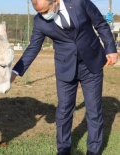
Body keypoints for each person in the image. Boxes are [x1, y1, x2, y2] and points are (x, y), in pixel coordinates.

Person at [10, 0, 118, 155]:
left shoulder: (79, 2)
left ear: (55, 1)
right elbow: (33, 47)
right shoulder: (39, 22)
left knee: (94, 110)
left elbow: (100, 24)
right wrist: (15, 72)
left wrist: (111, 49)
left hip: (92, 64)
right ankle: (63, 149)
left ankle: (93, 150)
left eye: (45, 11)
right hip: (65, 68)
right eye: (39, 13)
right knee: (64, 111)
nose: (43, 16)